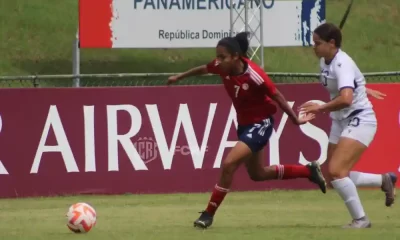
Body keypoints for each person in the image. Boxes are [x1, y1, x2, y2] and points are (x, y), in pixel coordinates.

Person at [167, 32, 327, 229]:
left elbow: (276, 95)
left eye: (222, 57)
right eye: (217, 56)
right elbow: (204, 69)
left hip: (261, 124)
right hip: (244, 124)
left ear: (236, 56)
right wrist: (179, 76)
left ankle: (208, 214)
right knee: (258, 174)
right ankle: (308, 171)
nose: (218, 61)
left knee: (229, 164)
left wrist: (295, 119)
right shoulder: (221, 67)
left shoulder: (255, 76)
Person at [299, 22, 397, 229]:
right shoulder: (326, 61)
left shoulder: (342, 62)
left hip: (359, 119)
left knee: (337, 170)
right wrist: (363, 87)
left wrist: (321, 108)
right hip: (340, 120)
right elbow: (348, 86)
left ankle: (361, 220)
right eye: (313, 43)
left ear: (331, 43)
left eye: (317, 43)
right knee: (331, 174)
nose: (313, 47)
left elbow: (346, 99)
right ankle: (384, 180)